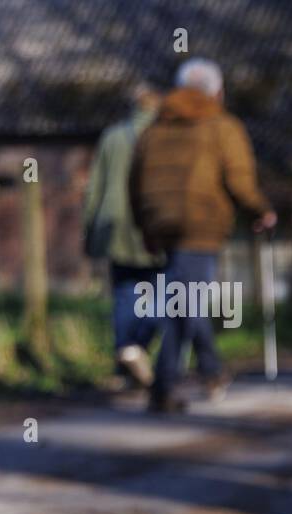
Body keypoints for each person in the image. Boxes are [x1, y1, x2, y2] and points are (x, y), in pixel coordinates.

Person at [129, 58, 276, 412]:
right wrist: (262, 210)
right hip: (201, 225)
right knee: (186, 304)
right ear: (217, 92)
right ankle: (166, 387)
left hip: (163, 225)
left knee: (187, 298)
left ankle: (206, 370)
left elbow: (134, 184)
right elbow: (239, 180)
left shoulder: (152, 129)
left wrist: (146, 227)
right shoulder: (223, 127)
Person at [82, 82, 164, 388]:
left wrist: (89, 231)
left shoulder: (112, 136)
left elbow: (94, 188)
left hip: (113, 225)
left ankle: (125, 355)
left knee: (124, 294)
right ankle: (138, 347)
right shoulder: (163, 136)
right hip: (151, 225)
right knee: (163, 295)